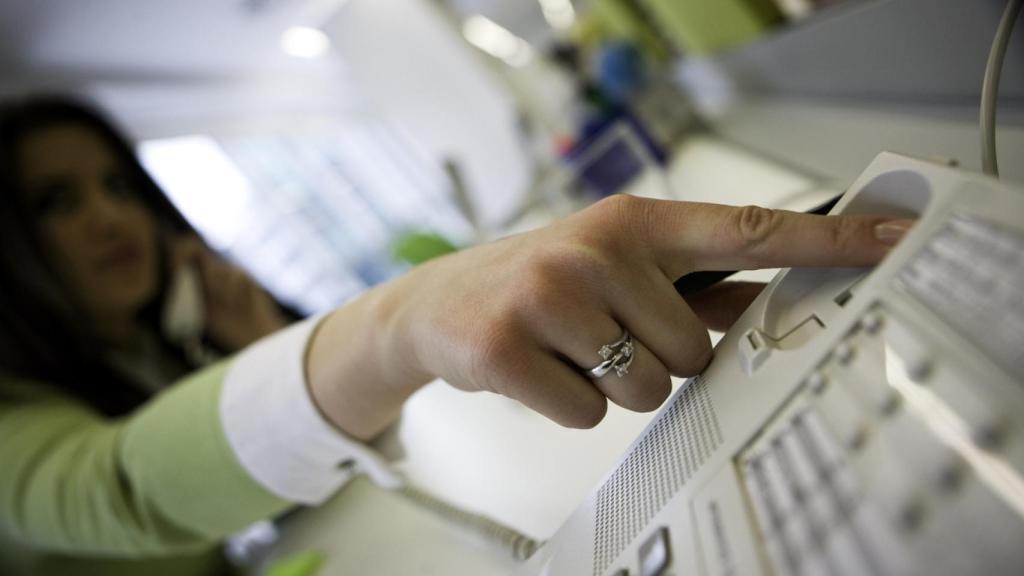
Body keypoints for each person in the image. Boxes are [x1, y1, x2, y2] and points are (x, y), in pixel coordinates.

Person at [0, 95, 912, 575]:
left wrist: (249, 357)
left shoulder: (153, 349)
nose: (109, 218)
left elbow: (251, 496)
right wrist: (401, 318)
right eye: (56, 202)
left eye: (118, 186)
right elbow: (117, 488)